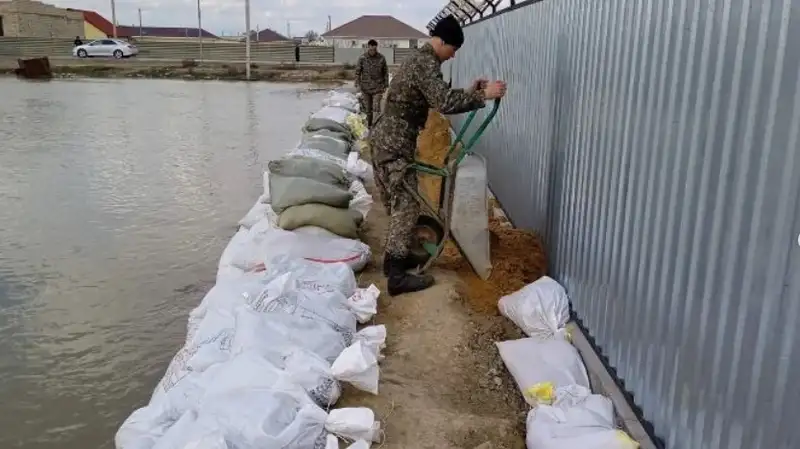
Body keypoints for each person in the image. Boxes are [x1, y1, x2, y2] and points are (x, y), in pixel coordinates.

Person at [369, 15, 506, 296]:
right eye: (453, 49)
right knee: (406, 204)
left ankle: (395, 261)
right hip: (393, 141)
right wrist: (484, 96)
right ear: (442, 41)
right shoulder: (425, 63)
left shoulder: (422, 61)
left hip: (390, 138)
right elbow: (443, 102)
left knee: (401, 201)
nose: (453, 55)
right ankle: (396, 278)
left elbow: (436, 94)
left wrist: (469, 92)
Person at [354, 39, 389, 128]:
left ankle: (376, 127)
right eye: (371, 49)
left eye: (374, 49)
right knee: (367, 110)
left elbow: (385, 72)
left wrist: (386, 85)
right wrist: (357, 85)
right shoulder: (362, 58)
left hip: (378, 88)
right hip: (365, 88)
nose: (372, 51)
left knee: (376, 108)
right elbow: (358, 72)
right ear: (368, 47)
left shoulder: (381, 58)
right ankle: (368, 127)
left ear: (376, 48)